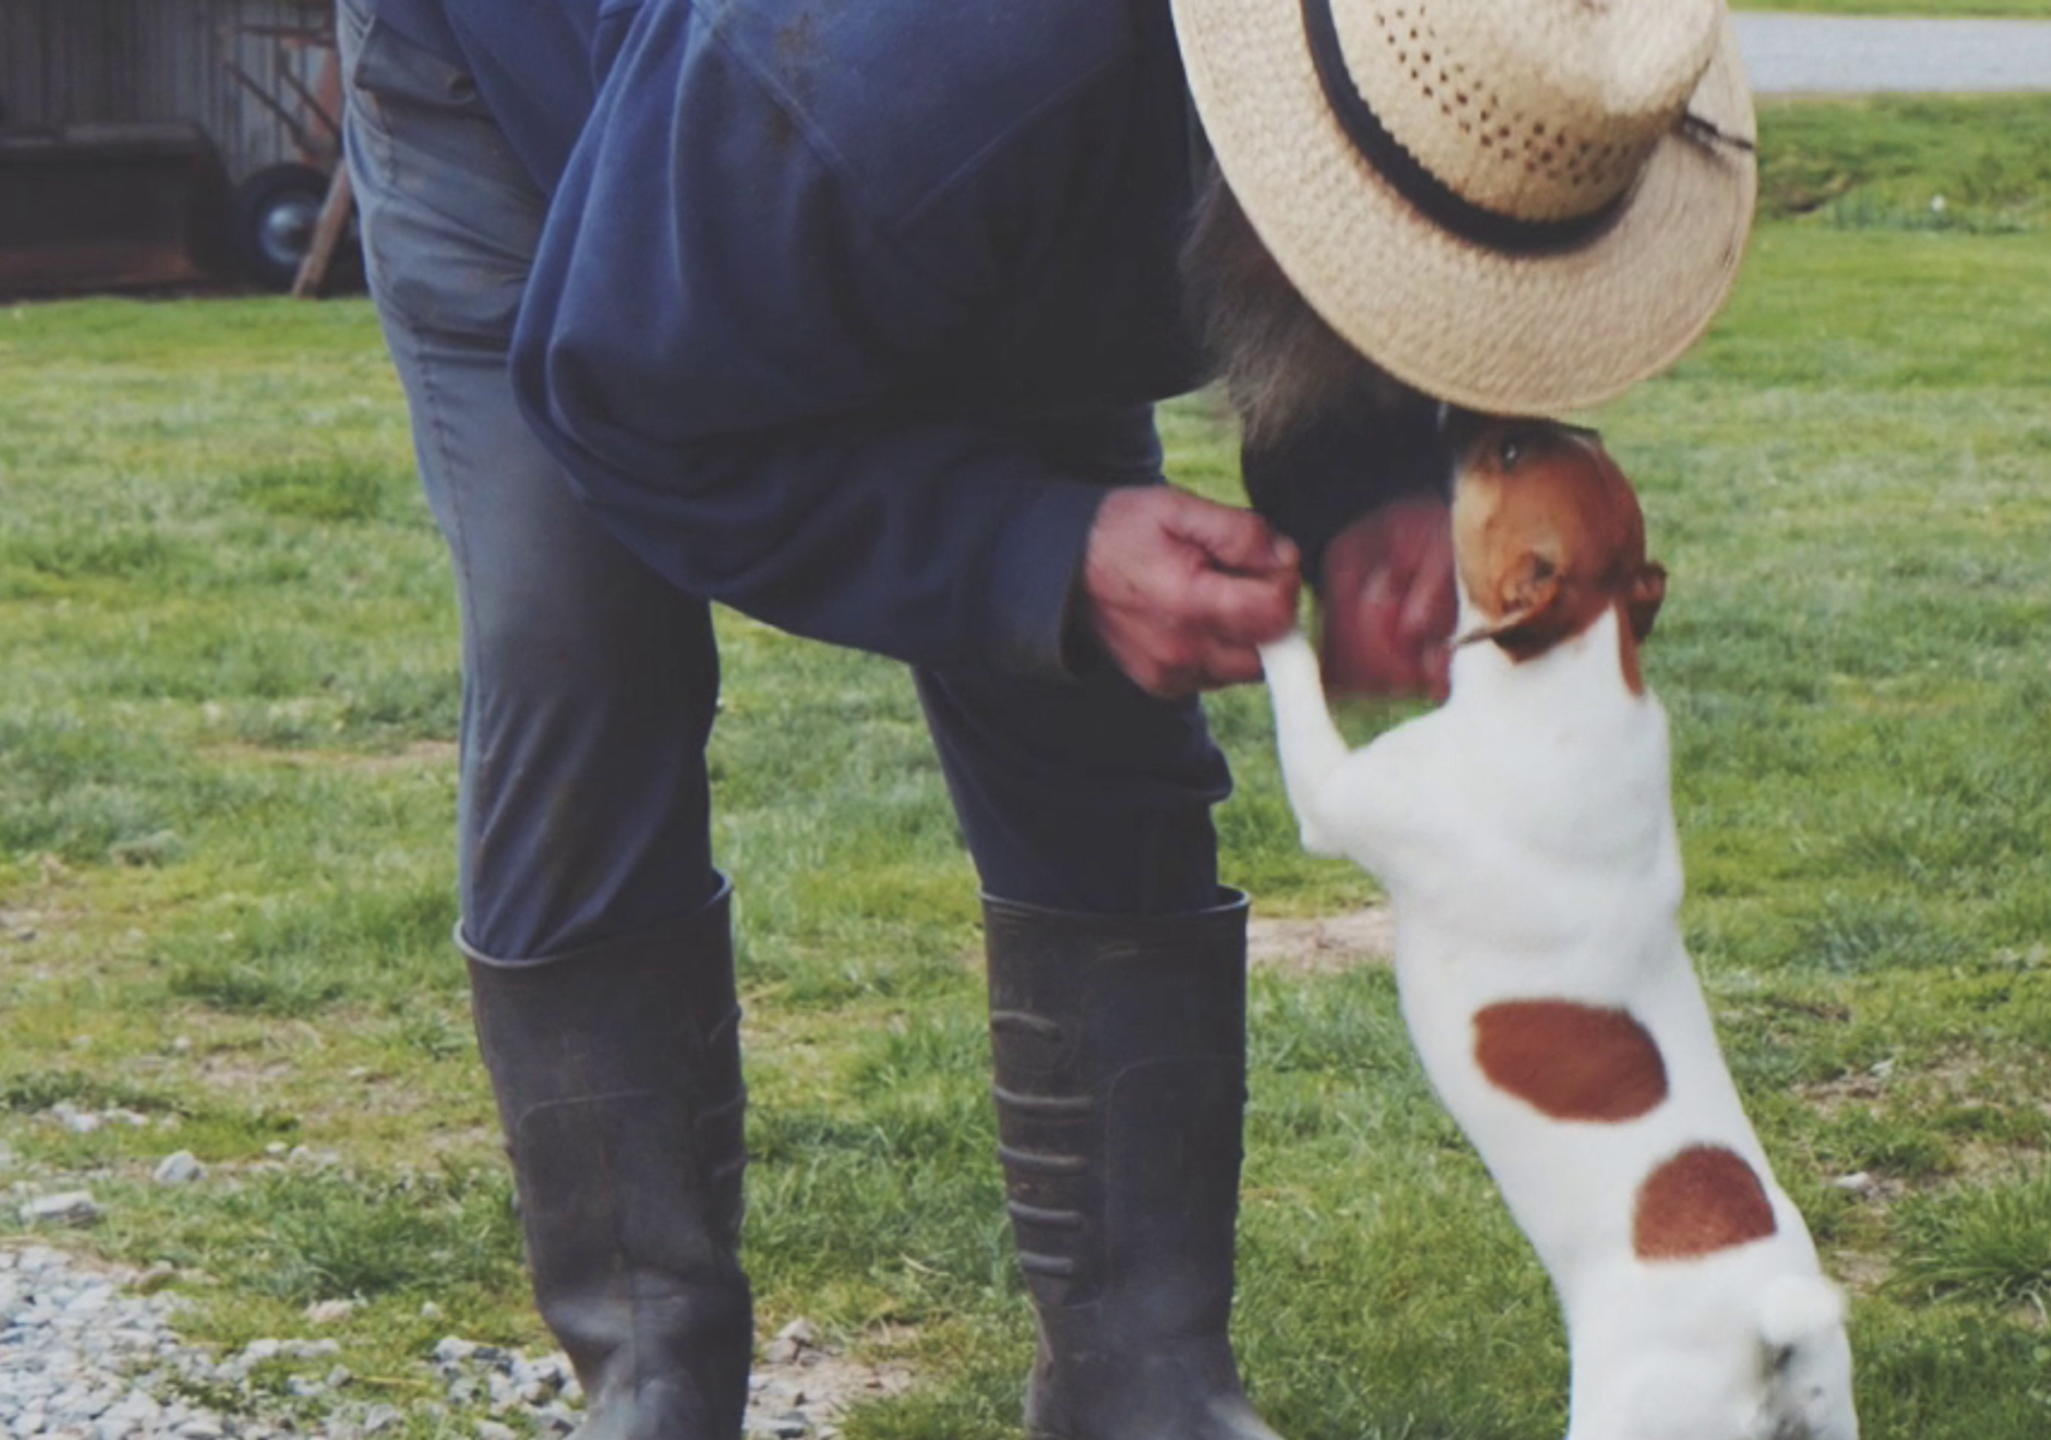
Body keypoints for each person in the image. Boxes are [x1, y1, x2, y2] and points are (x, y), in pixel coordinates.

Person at [328, 0, 1757, 1433]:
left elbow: (1372, 216)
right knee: (585, 657)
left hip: (963, 164)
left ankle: (1140, 1375)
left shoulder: (1398, 61)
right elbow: (629, 396)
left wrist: (1373, 489)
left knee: (1095, 727)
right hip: (533, 117)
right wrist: (1041, 552)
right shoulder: (889, 76)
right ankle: (655, 1364)